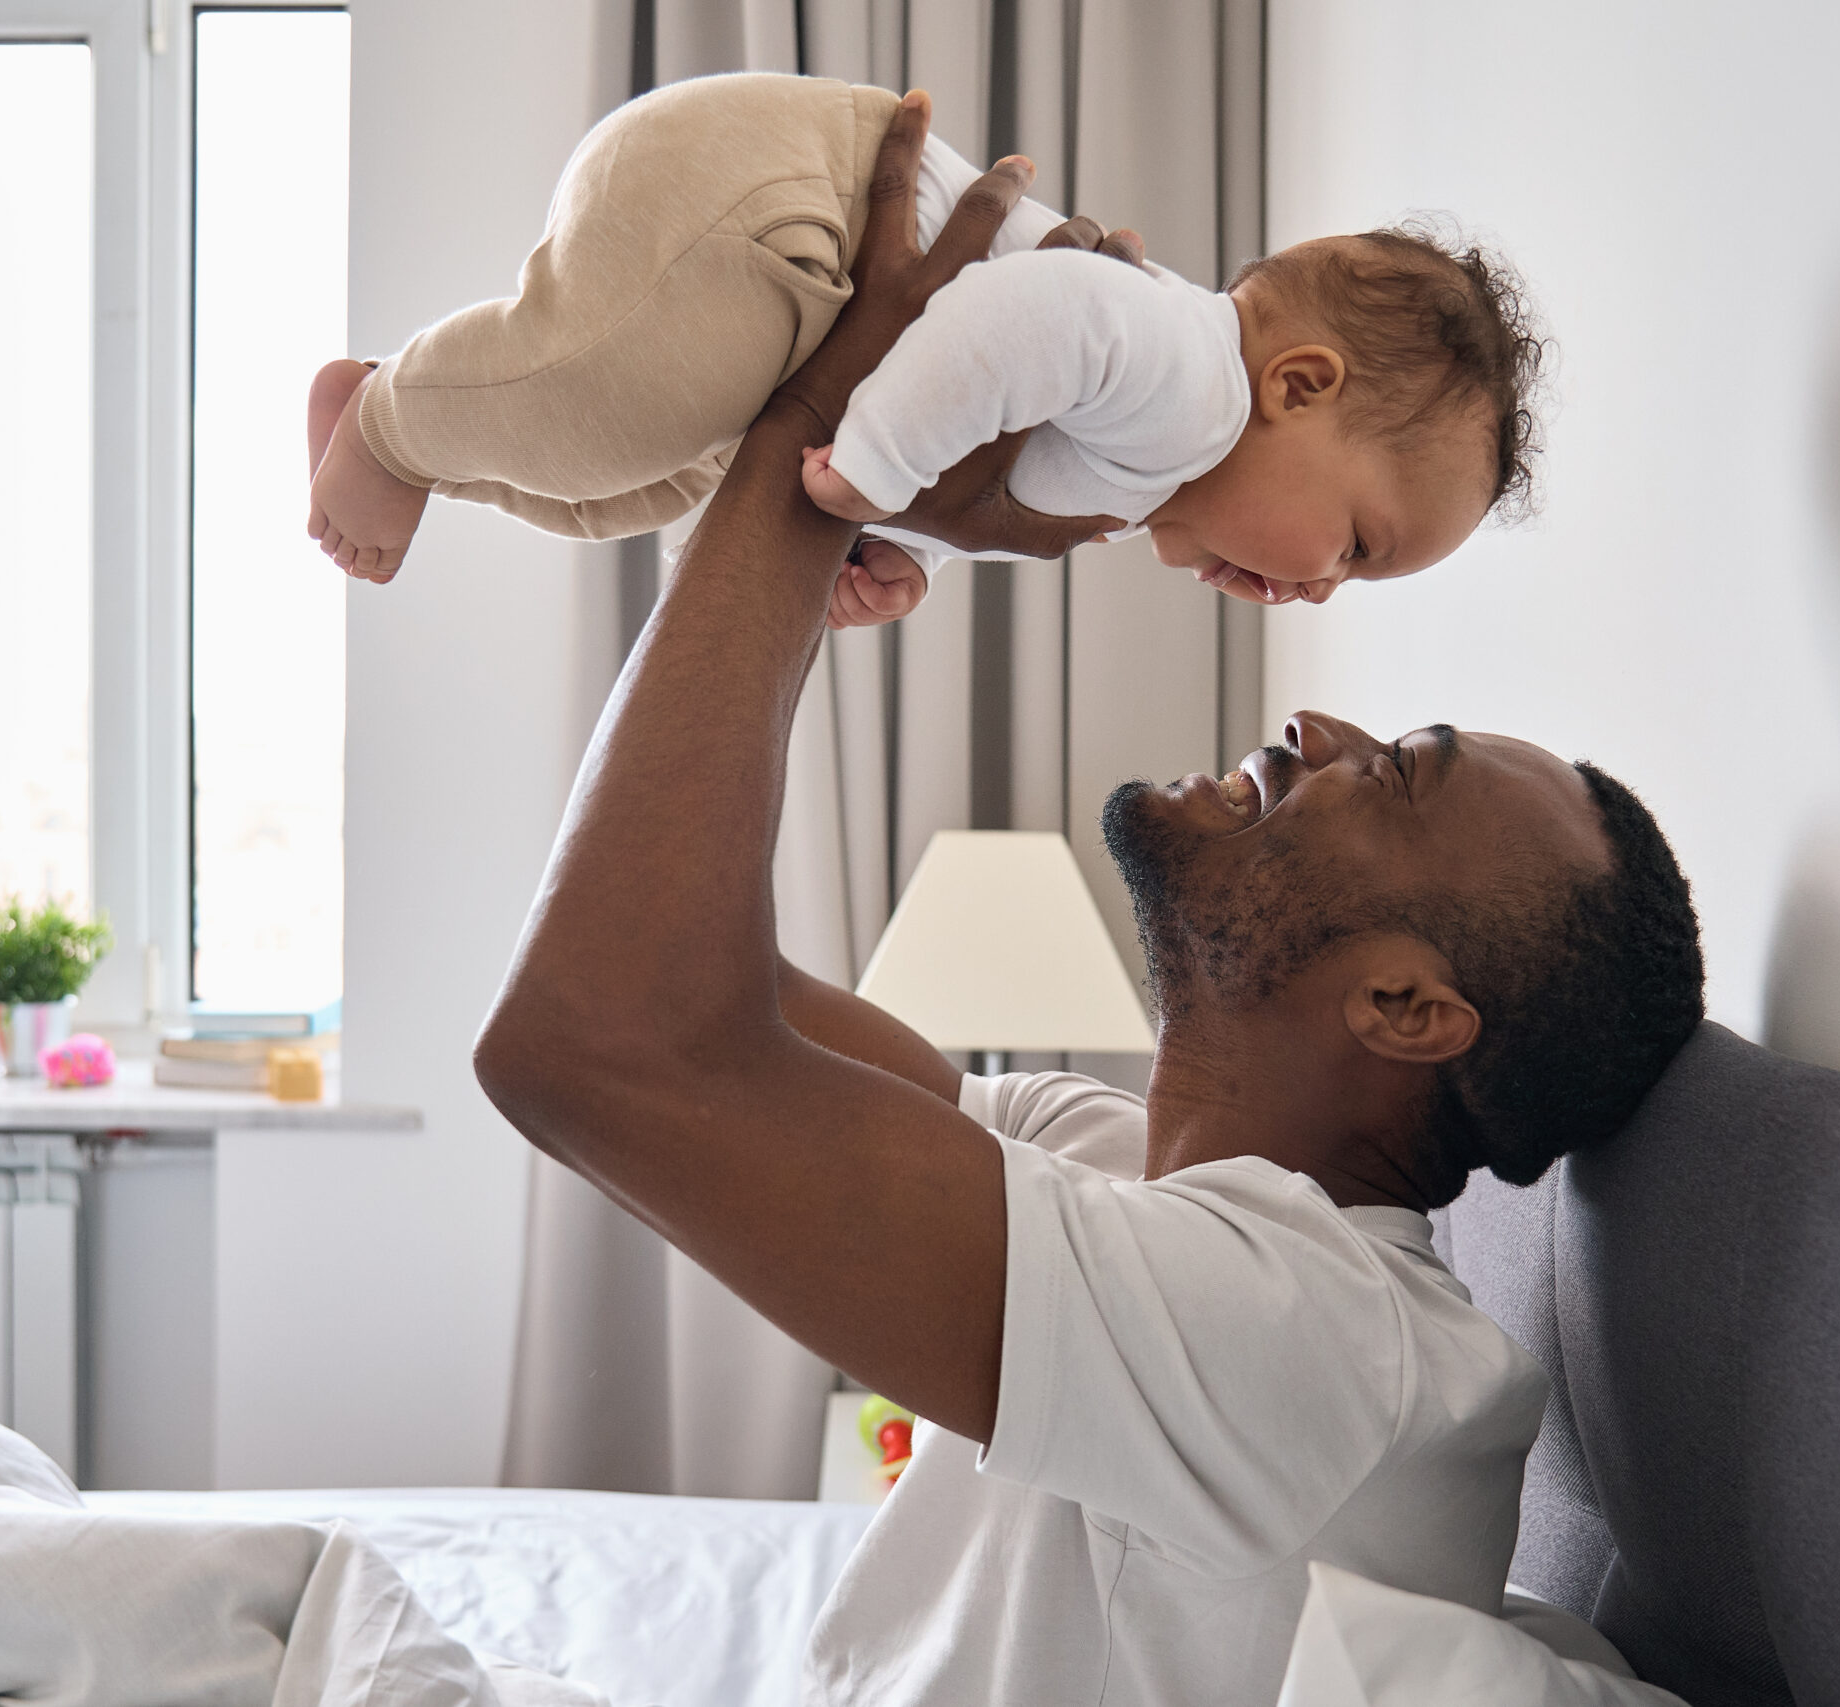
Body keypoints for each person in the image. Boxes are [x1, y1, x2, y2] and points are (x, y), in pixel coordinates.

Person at [473, 99, 1703, 1707]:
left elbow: (597, 1033)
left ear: (1407, 1008)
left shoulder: (1322, 1337)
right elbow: (679, 981)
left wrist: (822, 449)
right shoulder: (1130, 1165)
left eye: (1394, 772)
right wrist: (888, 498)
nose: (1322, 722)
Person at [306, 73, 1542, 628]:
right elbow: (1017, 325)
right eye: (1359, 546)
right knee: (593, 407)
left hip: (784, 283)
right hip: (788, 204)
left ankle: (413, 451)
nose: (1320, 590)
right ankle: (390, 424)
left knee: (625, 486)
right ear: (1301, 384)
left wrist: (894, 552)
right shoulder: (1193, 383)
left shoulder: (1154, 458)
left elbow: (994, 442)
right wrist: (880, 469)